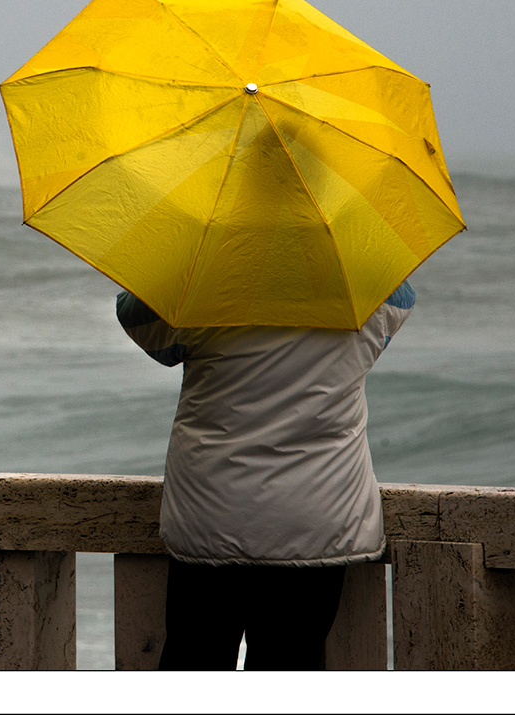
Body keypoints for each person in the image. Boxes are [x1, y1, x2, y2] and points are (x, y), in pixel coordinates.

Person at [117, 280, 416, 670]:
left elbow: (137, 319)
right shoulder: (358, 294)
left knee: (195, 658)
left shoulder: (205, 287)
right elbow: (400, 299)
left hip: (213, 516)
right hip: (316, 519)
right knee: (290, 664)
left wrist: (177, 268)